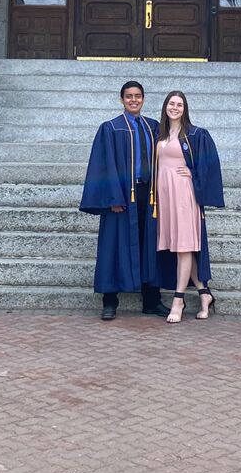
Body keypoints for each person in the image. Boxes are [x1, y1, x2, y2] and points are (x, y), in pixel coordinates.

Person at [79, 81, 170, 321]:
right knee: (113, 246)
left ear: (143, 99)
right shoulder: (110, 128)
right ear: (121, 99)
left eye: (137, 96)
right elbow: (103, 166)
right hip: (121, 197)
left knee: (150, 246)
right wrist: (112, 198)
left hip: (150, 196)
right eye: (128, 96)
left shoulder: (154, 127)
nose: (133, 100)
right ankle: (109, 301)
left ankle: (152, 300)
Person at [155, 91, 225, 324]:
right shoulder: (160, 133)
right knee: (178, 247)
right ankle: (205, 295)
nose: (175, 107)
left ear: (185, 109)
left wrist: (193, 173)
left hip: (184, 195)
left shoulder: (195, 134)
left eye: (179, 105)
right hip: (164, 197)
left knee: (184, 247)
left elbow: (210, 165)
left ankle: (178, 300)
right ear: (165, 106)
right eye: (171, 103)